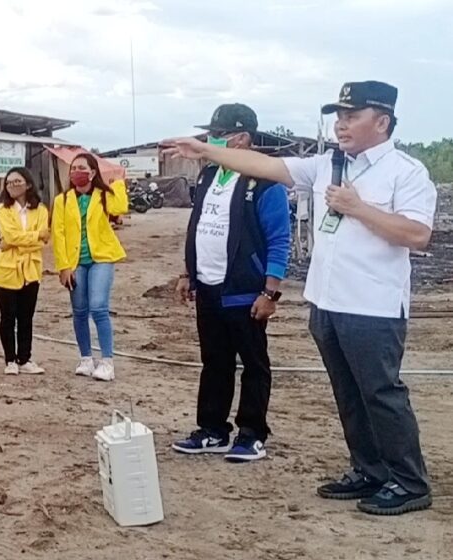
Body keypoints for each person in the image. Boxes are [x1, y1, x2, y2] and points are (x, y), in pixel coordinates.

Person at [163, 81, 436, 516]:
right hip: (327, 302)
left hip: (373, 307)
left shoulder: (406, 172)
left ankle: (409, 480)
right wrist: (207, 151)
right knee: (347, 393)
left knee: (381, 393)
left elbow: (418, 235)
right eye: (339, 115)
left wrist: (358, 207)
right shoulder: (329, 165)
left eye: (352, 116)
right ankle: (369, 469)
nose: (341, 124)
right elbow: (267, 165)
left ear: (382, 122)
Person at [170, 104, 291, 463]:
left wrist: (270, 292)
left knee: (254, 363)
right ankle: (212, 430)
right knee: (215, 360)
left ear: (242, 139)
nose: (210, 139)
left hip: (245, 289)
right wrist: (188, 273)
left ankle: (252, 433)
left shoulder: (265, 181)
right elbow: (198, 227)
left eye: (219, 133)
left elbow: (279, 240)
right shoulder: (209, 176)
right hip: (208, 284)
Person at [52, 153, 128, 382]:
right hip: (75, 262)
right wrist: (64, 266)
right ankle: (86, 358)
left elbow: (121, 206)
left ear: (93, 172)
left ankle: (107, 361)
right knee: (79, 310)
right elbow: (58, 234)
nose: (76, 171)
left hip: (101, 257)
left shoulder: (104, 195)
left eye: (82, 168)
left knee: (98, 307)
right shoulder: (62, 200)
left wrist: (118, 181)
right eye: (73, 168)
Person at [0, 167, 49, 375]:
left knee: (26, 317)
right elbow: (11, 236)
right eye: (9, 183)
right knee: (8, 317)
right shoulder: (2, 210)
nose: (12, 186)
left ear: (28, 184)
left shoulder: (41, 210)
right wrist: (34, 236)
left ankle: (25, 358)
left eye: (17, 181)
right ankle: (10, 360)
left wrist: (17, 241)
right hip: (6, 271)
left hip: (31, 270)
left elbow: (42, 241)